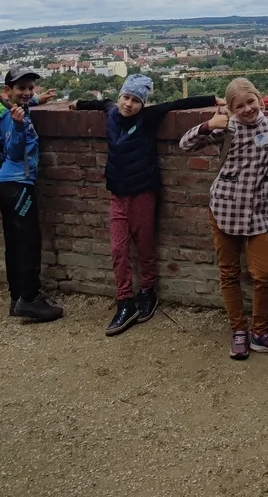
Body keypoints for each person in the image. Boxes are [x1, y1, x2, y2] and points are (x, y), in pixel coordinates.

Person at [177, 77, 268, 360]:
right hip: (225, 208)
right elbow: (184, 144)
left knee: (263, 275)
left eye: (251, 102)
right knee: (229, 273)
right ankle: (239, 330)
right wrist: (207, 125)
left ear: (260, 99)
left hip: (257, 211)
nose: (247, 109)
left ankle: (260, 332)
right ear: (230, 108)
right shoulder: (226, 127)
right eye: (239, 106)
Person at [74, 74, 216, 336]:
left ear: (143, 103)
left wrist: (213, 100)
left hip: (142, 192)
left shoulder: (147, 118)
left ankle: (148, 292)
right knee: (118, 249)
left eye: (136, 100)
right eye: (126, 97)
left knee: (144, 244)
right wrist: (78, 104)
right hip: (117, 193)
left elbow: (178, 104)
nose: (129, 104)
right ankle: (125, 301)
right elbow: (100, 103)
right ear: (120, 97)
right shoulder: (111, 112)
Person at [0, 67, 62, 323]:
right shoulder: (11, 118)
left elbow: (19, 107)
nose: (26, 93)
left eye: (30, 88)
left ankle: (17, 297)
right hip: (18, 184)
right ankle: (31, 298)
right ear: (7, 91)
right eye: (21, 89)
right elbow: (15, 151)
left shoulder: (10, 109)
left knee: (14, 242)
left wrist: (37, 101)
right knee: (28, 241)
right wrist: (18, 127)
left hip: (8, 183)